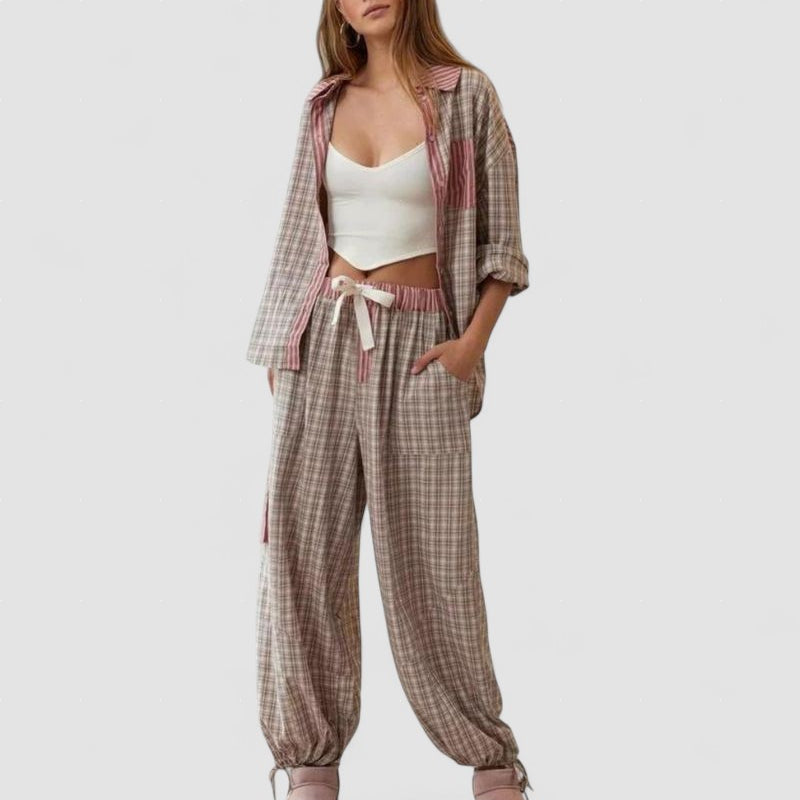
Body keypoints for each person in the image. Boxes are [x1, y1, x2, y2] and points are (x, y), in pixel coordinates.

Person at [246, 2, 533, 798]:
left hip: (424, 349)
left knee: (435, 562)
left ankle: (490, 762)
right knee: (303, 555)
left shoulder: (466, 95)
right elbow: (298, 233)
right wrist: (286, 344)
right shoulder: (324, 103)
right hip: (322, 341)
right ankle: (310, 763)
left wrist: (468, 349)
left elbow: (503, 245)